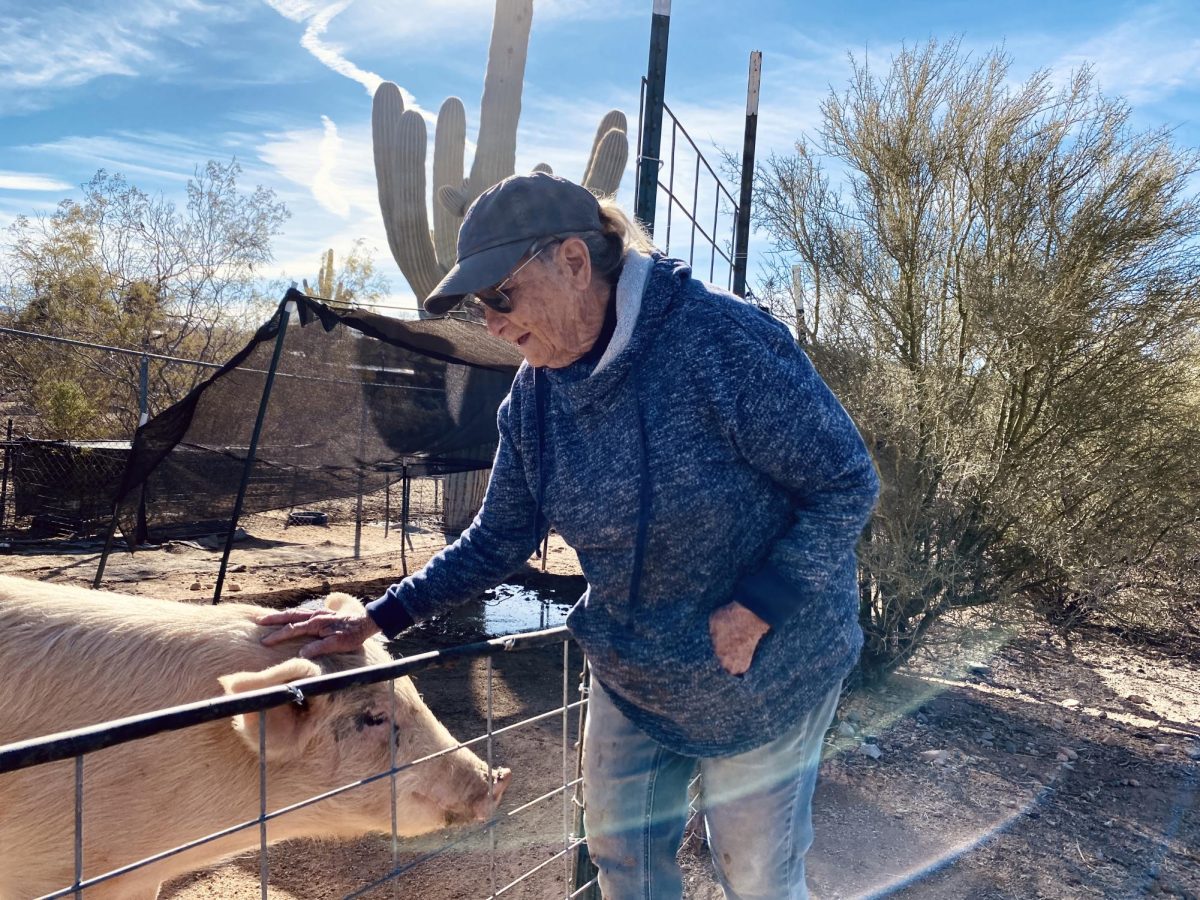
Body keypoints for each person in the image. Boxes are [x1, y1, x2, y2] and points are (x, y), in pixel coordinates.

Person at [260, 172, 879, 899]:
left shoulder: (722, 343)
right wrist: (377, 616)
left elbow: (846, 482)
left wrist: (759, 605)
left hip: (767, 668)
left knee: (756, 874)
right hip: (633, 668)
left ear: (575, 263)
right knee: (622, 861)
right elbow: (497, 538)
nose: (489, 322)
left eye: (500, 296)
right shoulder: (534, 400)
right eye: (477, 304)